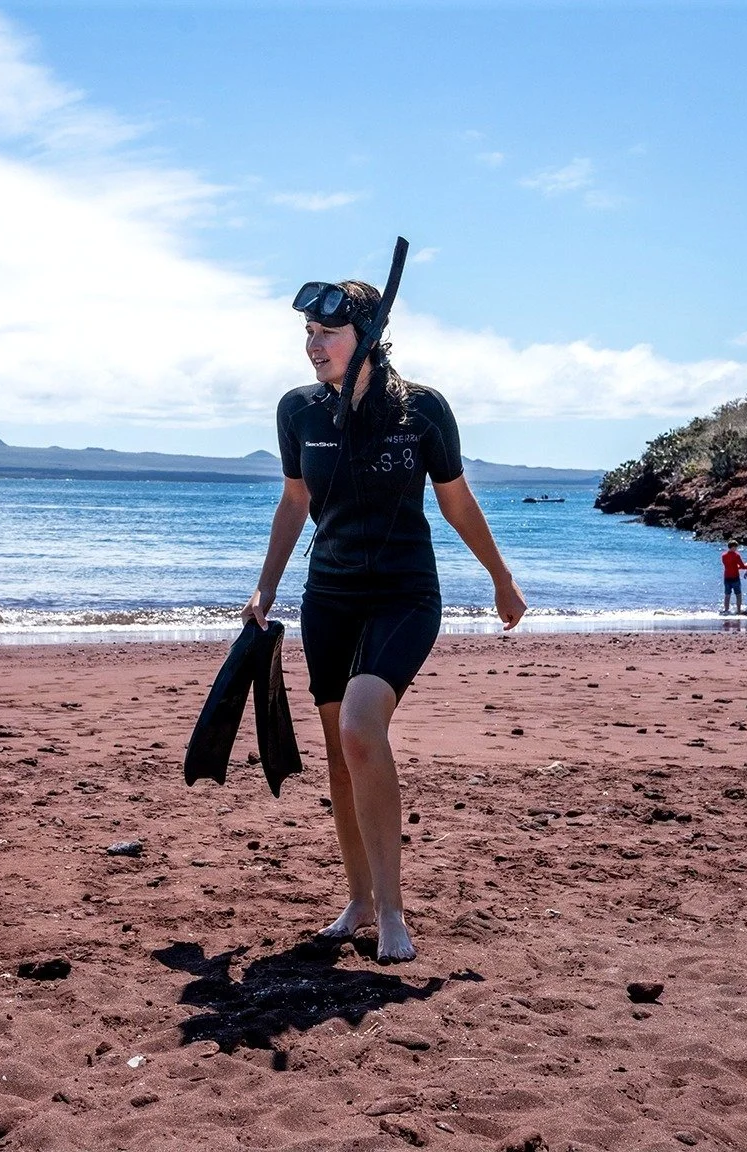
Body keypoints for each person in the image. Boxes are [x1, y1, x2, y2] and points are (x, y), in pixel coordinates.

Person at [242, 277, 526, 963]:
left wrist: (501, 578)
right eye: (307, 335)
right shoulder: (299, 412)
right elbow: (292, 503)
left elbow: (456, 502)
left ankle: (393, 913)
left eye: (325, 334)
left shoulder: (422, 411)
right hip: (330, 595)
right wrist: (266, 589)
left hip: (405, 594)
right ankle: (360, 900)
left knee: (360, 728)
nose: (313, 347)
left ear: (366, 335)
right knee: (342, 755)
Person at [720, 540, 747, 615]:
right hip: (735, 577)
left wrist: (737, 567)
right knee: (738, 594)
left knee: (727, 594)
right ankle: (738, 610)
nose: (737, 549)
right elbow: (742, 566)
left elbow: (729, 565)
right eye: (736, 547)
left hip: (727, 576)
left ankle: (726, 610)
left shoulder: (723, 555)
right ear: (733, 547)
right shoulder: (736, 555)